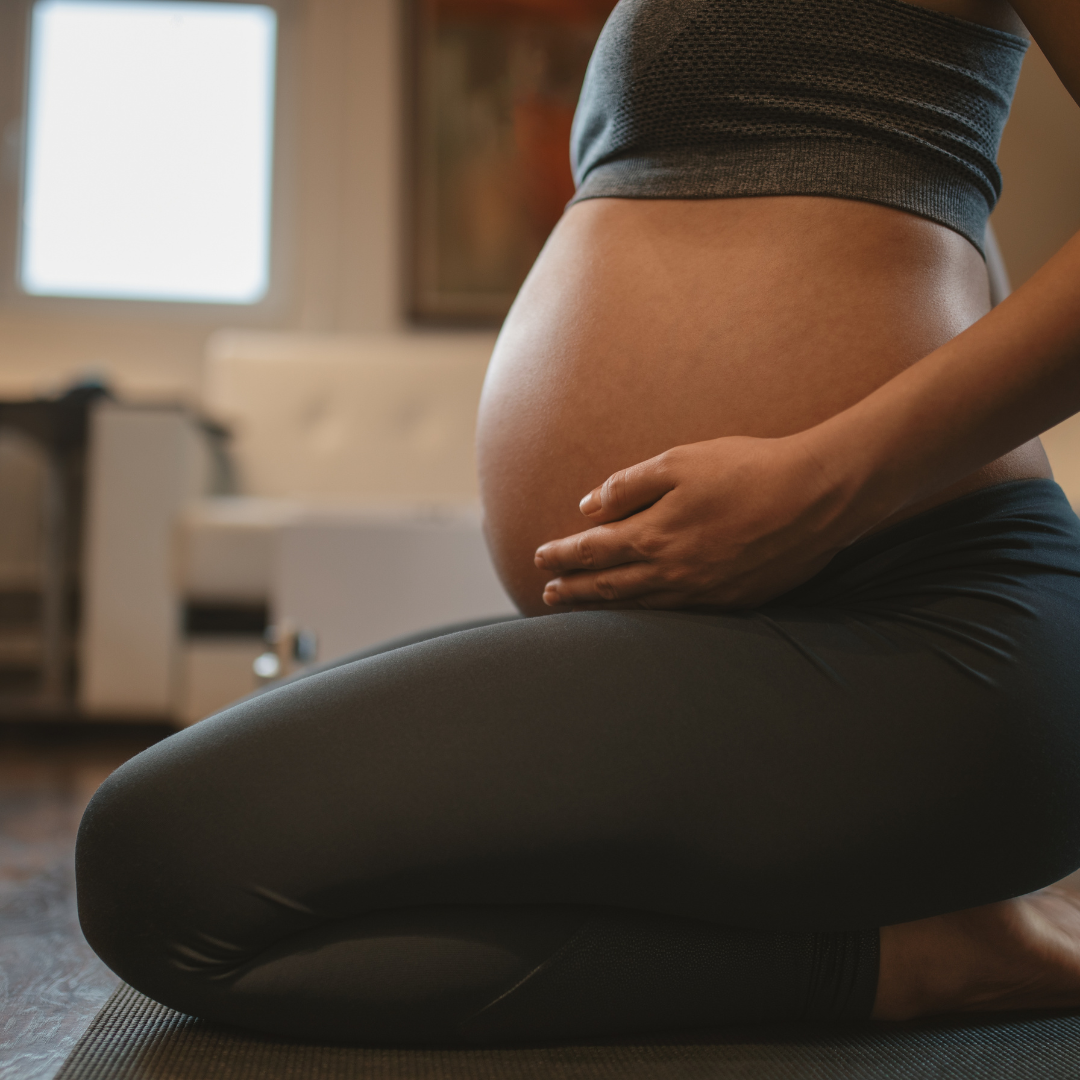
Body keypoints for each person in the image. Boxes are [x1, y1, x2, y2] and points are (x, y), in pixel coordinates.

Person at [76, 0, 1080, 1045]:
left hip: (930, 631)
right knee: (193, 850)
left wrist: (824, 485)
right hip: (731, 654)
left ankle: (919, 961)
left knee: (163, 858)